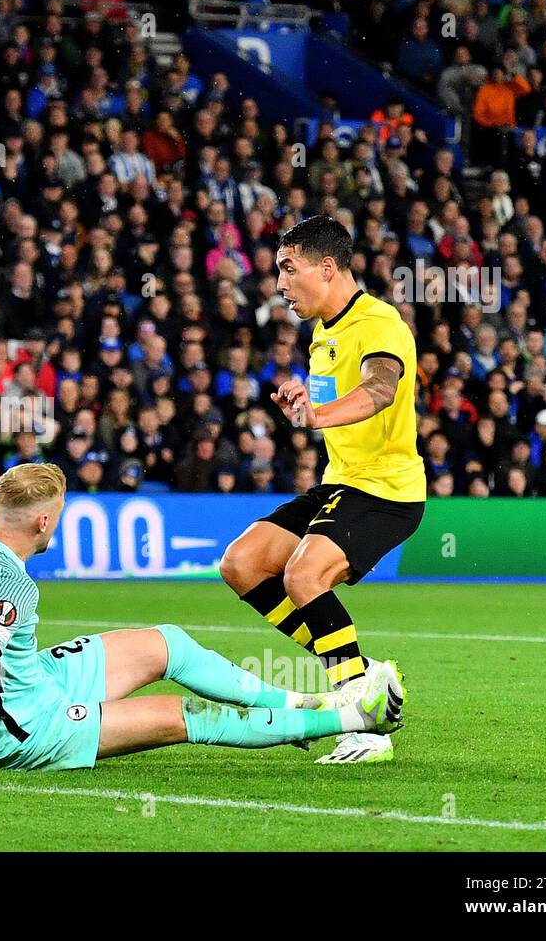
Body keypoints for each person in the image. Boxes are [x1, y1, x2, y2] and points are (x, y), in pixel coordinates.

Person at [0, 463, 404, 780]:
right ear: (43, 522)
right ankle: (358, 715)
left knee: (165, 643)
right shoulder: (11, 584)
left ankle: (306, 703)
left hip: (38, 680)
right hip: (28, 728)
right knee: (188, 716)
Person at [219, 215, 425, 765]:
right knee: (241, 564)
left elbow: (380, 390)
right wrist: (302, 400)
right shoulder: (322, 334)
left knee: (303, 575)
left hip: (387, 490)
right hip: (339, 484)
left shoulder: (379, 322)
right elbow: (329, 405)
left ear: (327, 267)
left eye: (289, 269)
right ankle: (358, 677)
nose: (280, 284)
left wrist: (319, 412)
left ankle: (366, 721)